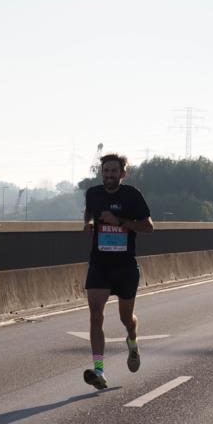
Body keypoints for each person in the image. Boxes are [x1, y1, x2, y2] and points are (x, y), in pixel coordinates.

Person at [82, 153, 154, 389]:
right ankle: (99, 371)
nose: (109, 175)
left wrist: (119, 221)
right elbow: (90, 213)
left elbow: (148, 226)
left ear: (123, 174)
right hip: (100, 265)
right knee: (95, 315)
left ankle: (132, 341)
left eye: (114, 171)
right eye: (106, 171)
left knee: (126, 318)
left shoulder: (131, 195)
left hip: (125, 267)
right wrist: (89, 224)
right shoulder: (93, 194)